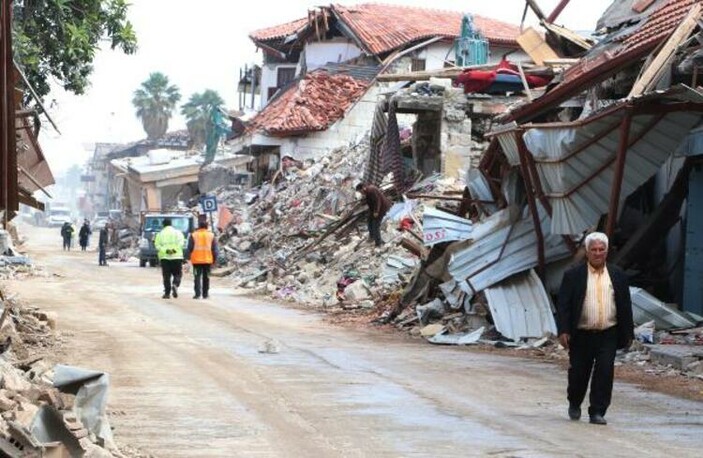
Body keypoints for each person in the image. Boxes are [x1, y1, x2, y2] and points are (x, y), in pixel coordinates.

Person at [557, 232, 634, 426]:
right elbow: (564, 305)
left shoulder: (617, 275)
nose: (598, 253)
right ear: (587, 252)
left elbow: (625, 305)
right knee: (578, 374)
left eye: (601, 250)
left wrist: (628, 334)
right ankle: (574, 402)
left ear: (607, 252)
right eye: (594, 250)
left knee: (604, 373)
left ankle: (597, 411)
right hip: (581, 334)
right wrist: (563, 330)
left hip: (608, 333)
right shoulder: (573, 275)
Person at [187, 216, 219, 299]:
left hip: (196, 261)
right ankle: (205, 294)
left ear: (199, 226)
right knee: (206, 277)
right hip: (207, 261)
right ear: (207, 227)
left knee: (197, 277)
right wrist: (214, 260)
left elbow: (189, 248)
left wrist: (188, 258)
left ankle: (197, 294)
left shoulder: (194, 235)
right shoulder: (211, 235)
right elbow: (215, 249)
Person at [154, 218, 185, 299]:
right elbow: (181, 243)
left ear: (163, 225)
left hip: (165, 257)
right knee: (177, 273)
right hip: (177, 257)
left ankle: (167, 293)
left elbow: (157, 245)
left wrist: (167, 251)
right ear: (171, 224)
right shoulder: (178, 233)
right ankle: (175, 284)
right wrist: (174, 250)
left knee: (166, 276)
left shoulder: (160, 234)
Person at [356, 182, 391, 247]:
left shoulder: (372, 190)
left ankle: (379, 243)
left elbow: (377, 201)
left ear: (363, 188)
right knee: (369, 222)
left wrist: (376, 211)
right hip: (374, 210)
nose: (361, 193)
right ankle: (372, 237)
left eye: (360, 191)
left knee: (375, 225)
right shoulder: (368, 192)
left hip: (381, 209)